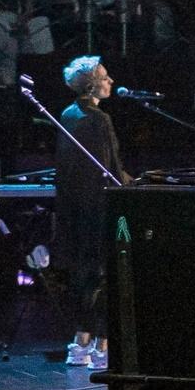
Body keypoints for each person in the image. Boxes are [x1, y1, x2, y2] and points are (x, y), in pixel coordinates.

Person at [54, 56, 129, 368]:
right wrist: (135, 184)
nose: (110, 82)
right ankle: (102, 346)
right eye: (106, 77)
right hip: (100, 208)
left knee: (84, 277)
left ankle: (81, 341)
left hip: (74, 210)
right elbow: (110, 169)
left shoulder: (68, 114)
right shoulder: (100, 120)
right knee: (106, 275)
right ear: (92, 85)